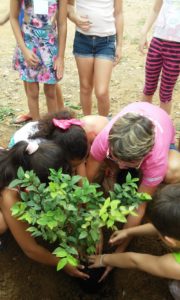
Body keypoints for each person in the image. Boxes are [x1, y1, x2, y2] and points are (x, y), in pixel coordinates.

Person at [86, 101, 180, 279]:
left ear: (145, 156)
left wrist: (117, 253)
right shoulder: (106, 138)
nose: (119, 165)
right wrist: (93, 226)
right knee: (89, 125)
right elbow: (86, 184)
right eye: (114, 158)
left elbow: (139, 207)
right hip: (128, 131)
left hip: (159, 140)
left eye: (126, 164)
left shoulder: (156, 159)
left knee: (173, 170)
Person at [0, 141, 89, 279]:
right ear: (34, 184)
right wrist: (62, 263)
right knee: (2, 224)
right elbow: (30, 249)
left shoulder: (30, 157)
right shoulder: (9, 194)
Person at [89, 184, 180, 300]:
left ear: (169, 240)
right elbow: (159, 227)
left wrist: (103, 259)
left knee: (175, 288)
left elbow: (135, 261)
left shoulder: (175, 266)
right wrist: (128, 232)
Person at [10, 0, 67, 121]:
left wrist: (60, 57)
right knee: (32, 92)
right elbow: (13, 18)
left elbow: (62, 23)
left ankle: (52, 127)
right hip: (29, 45)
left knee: (51, 91)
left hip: (50, 47)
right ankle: (35, 126)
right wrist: (24, 50)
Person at [8, 109, 108, 177]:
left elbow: (79, 163)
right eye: (73, 167)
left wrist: (84, 194)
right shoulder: (41, 156)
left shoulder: (67, 133)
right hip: (22, 152)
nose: (74, 169)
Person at [68, 0, 123, 116]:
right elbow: (68, 6)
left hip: (106, 41)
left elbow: (118, 13)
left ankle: (103, 126)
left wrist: (119, 45)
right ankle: (87, 125)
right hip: (83, 40)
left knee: (101, 92)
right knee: (85, 87)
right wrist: (75, 18)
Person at [139, 0, 180, 115]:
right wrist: (144, 32)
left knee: (166, 92)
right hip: (158, 41)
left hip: (177, 48)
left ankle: (164, 128)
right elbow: (155, 9)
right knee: (149, 87)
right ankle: (143, 126)